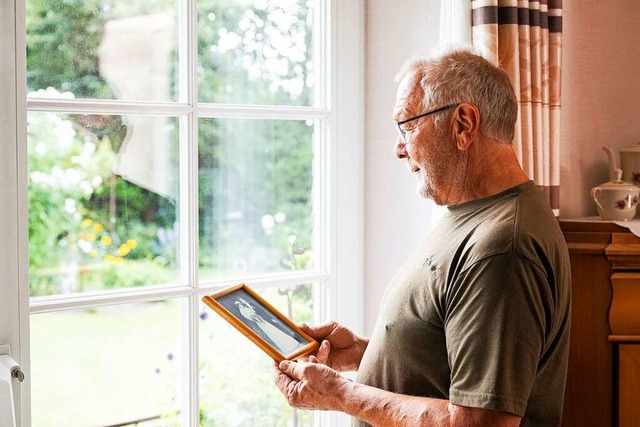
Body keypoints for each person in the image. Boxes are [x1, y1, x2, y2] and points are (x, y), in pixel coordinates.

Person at [274, 47, 571, 427]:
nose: (399, 149)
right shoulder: (474, 217)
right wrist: (365, 354)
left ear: (463, 124)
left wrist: (340, 394)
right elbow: (449, 367)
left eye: (408, 126)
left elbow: (480, 423)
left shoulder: (502, 248)